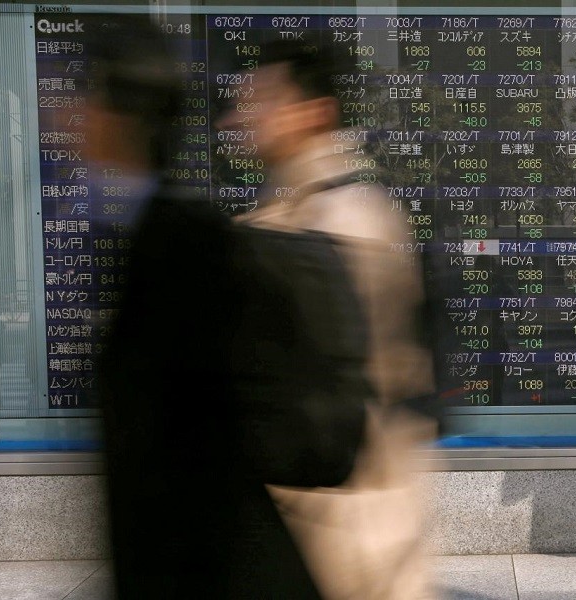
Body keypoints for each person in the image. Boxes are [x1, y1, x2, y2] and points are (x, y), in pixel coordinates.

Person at [91, 18, 364, 599]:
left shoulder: (190, 242)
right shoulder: (176, 232)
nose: (238, 120)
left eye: (260, 101)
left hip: (274, 554)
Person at [218, 39, 438, 599]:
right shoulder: (298, 206)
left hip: (351, 516)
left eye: (262, 100)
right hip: (328, 506)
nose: (241, 116)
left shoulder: (346, 216)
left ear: (316, 111)